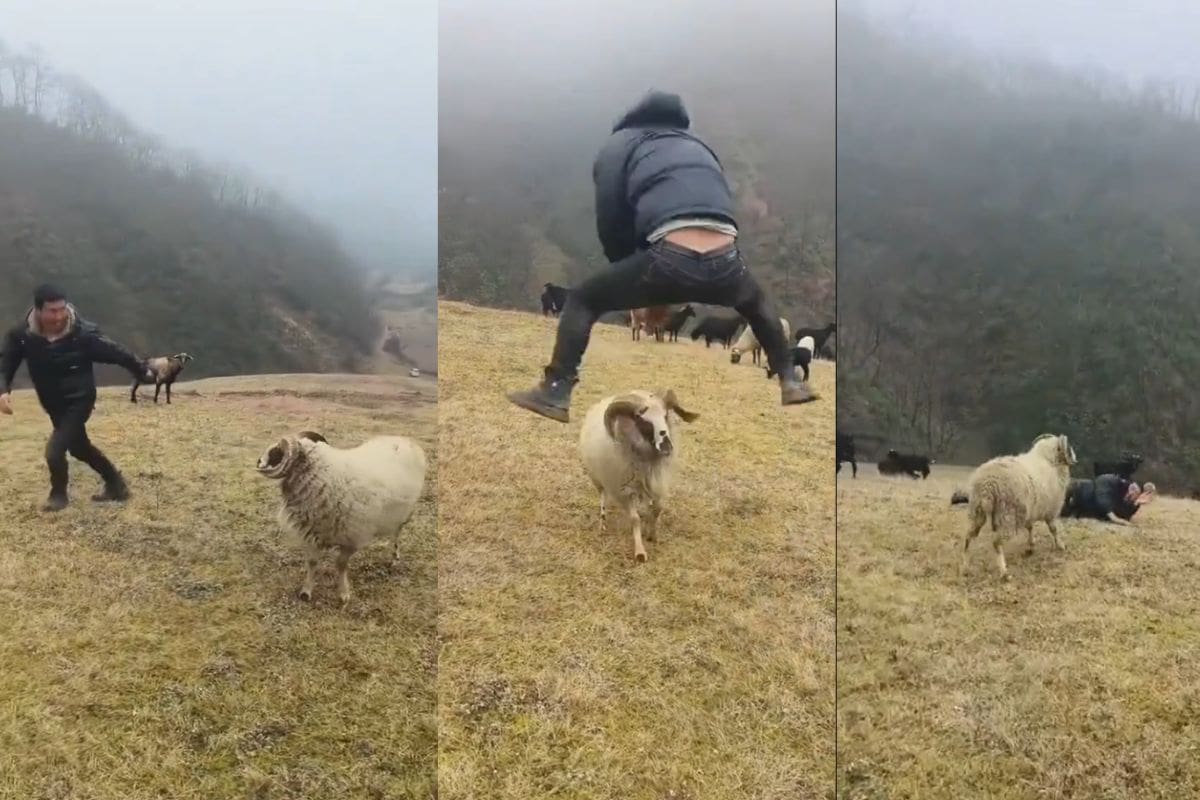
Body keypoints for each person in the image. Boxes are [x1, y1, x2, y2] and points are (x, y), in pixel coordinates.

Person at [507, 89, 819, 423]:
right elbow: (717, 199)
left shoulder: (622, 143)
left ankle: (555, 389)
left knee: (583, 300)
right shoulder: (698, 145)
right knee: (757, 303)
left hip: (667, 256)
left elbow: (612, 216)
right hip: (728, 259)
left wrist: (631, 275)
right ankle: (790, 379)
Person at [0, 284, 156, 512]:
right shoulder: (22, 336)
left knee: (55, 450)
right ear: (38, 310)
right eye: (52, 311)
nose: (59, 316)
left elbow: (117, 353)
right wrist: (4, 390)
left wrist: (142, 371)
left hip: (80, 398)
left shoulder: (83, 335)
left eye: (62, 309)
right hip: (52, 401)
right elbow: (5, 364)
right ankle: (116, 484)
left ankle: (59, 494)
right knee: (79, 448)